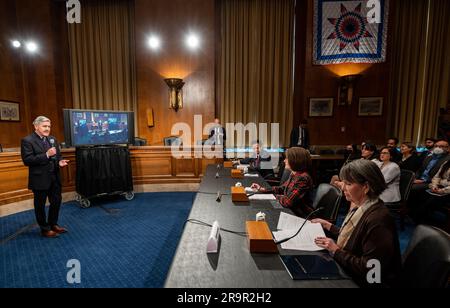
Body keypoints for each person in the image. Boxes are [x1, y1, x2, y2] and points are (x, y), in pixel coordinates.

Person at [312, 160, 401, 287]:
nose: (342, 187)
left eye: (348, 183)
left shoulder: (378, 219)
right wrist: (329, 226)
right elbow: (357, 237)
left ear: (366, 187)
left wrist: (336, 251)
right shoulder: (364, 205)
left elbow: (372, 269)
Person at [21, 116, 70, 238]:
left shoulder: (52, 139)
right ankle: (44, 229)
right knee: (40, 205)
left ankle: (53, 224)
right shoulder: (27, 140)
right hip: (40, 179)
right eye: (44, 126)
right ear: (36, 126)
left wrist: (60, 162)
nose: (47, 128)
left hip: (54, 177)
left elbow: (57, 156)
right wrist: (46, 155)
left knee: (56, 202)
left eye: (49, 126)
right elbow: (27, 160)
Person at [250, 147, 313, 217]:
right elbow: (282, 188)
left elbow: (288, 202)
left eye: (287, 159)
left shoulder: (303, 178)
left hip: (299, 214)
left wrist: (274, 196)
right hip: (290, 210)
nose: (284, 161)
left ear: (295, 160)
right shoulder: (294, 173)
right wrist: (262, 189)